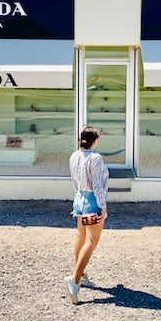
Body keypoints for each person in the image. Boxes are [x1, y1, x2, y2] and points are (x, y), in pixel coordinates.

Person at [65, 126, 109, 304]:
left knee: (81, 237)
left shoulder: (74, 156)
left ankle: (80, 275)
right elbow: (98, 186)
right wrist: (103, 207)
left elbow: (74, 181)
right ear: (95, 141)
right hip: (92, 201)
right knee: (91, 241)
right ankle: (74, 280)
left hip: (79, 198)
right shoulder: (95, 158)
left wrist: (79, 197)